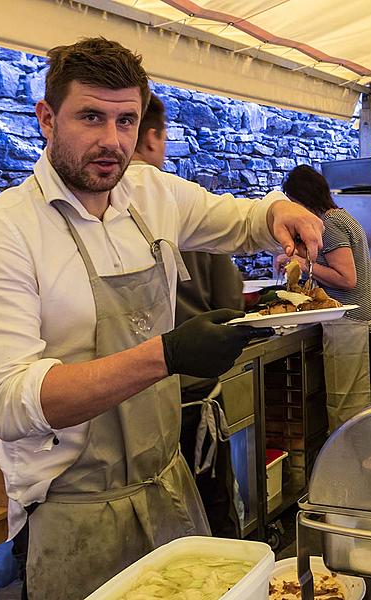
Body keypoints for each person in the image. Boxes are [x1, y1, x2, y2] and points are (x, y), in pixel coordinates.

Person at [0, 38, 322, 600]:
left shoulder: (148, 193)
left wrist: (281, 210)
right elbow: (8, 401)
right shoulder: (2, 232)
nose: (112, 140)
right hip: (74, 512)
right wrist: (167, 354)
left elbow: (241, 218)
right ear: (47, 119)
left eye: (126, 120)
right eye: (91, 117)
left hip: (168, 487)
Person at [132, 92, 245, 536]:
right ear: (156, 137)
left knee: (160, 536)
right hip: (193, 398)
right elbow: (231, 300)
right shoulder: (184, 211)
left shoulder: (102, 214)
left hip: (133, 410)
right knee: (213, 520)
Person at [278, 164, 371, 431]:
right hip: (367, 321)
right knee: (363, 407)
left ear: (302, 198)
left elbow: (347, 278)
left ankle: (347, 465)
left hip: (353, 323)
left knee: (347, 412)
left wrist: (305, 265)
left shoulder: (329, 224)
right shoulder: (341, 217)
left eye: (293, 202)